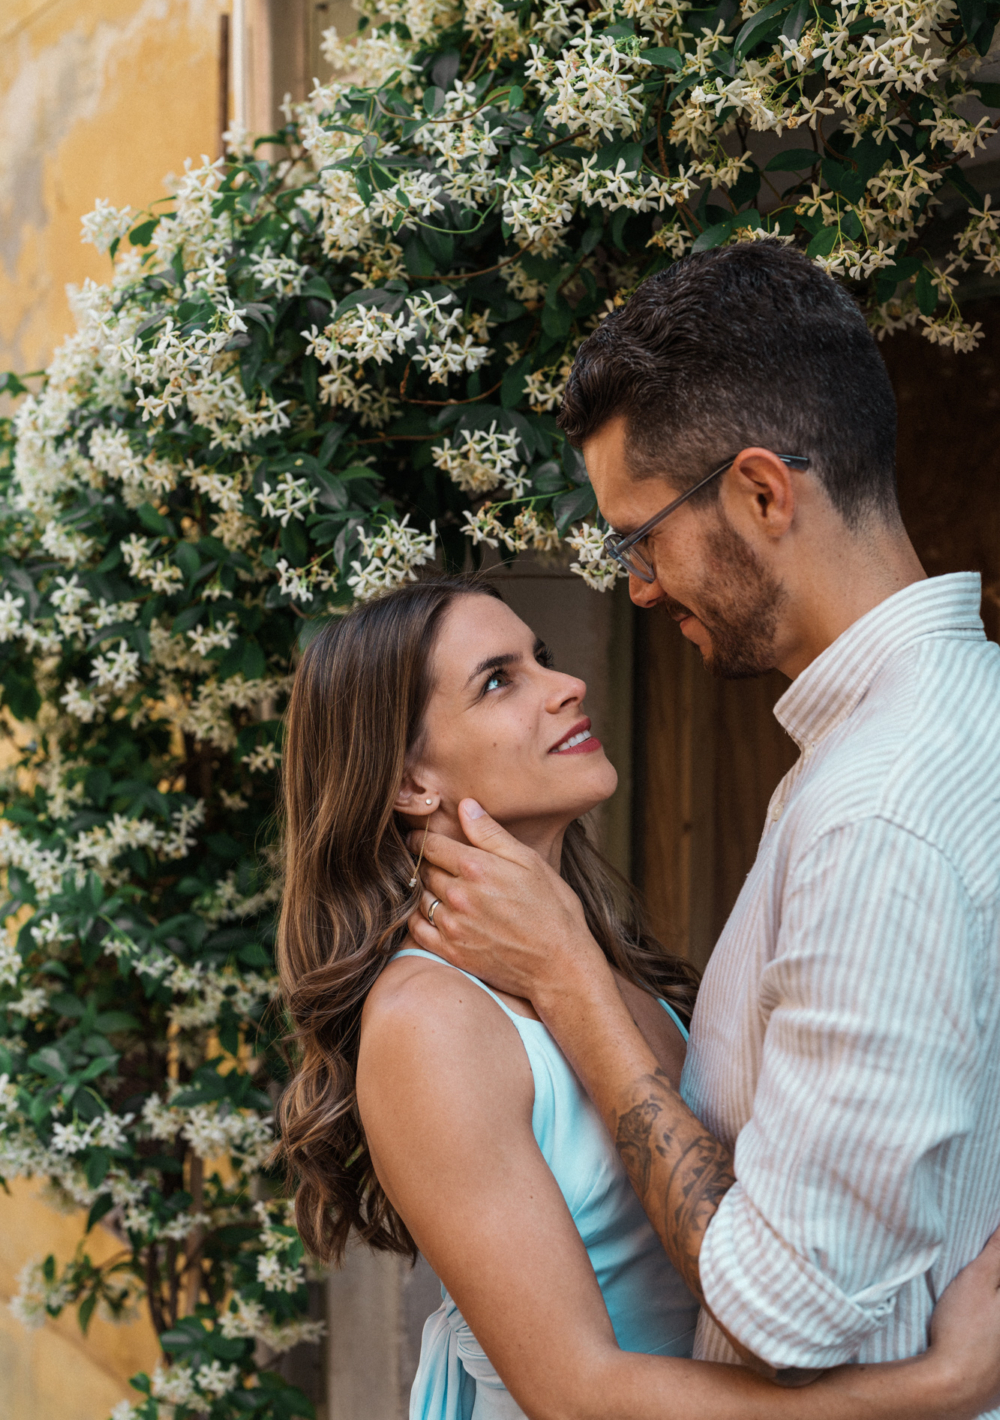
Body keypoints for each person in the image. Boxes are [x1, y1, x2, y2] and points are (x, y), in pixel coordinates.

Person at [405, 244, 1000, 1408]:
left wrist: (572, 981)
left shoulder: (876, 808)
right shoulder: (944, 732)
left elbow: (783, 1312)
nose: (632, 588)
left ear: (762, 493)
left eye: (639, 537)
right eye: (497, 679)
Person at [276, 576, 1000, 1420]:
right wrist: (943, 1388)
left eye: (542, 657)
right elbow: (578, 1397)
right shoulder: (430, 1021)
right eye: (499, 680)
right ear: (410, 784)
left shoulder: (594, 961)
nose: (566, 684)